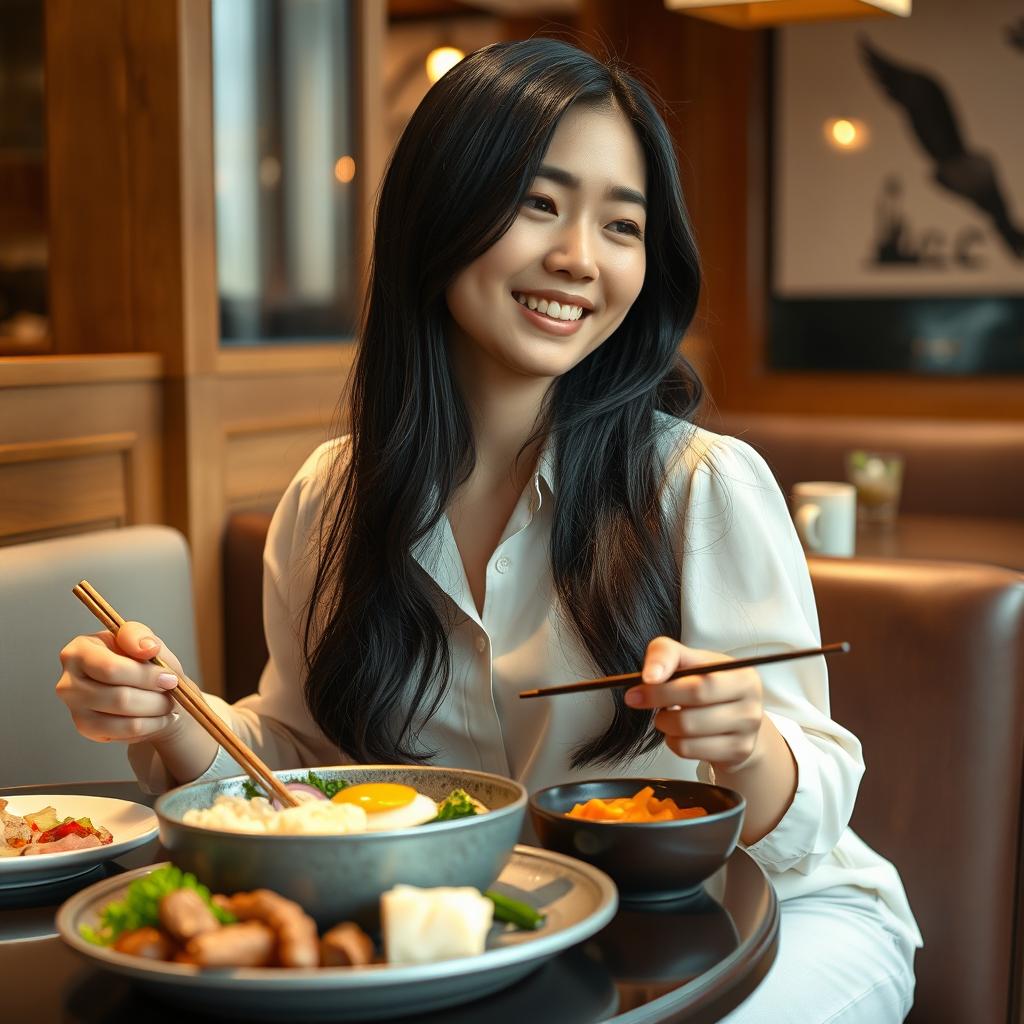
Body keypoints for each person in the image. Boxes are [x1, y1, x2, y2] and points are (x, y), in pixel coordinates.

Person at [56, 39, 920, 1021]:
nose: (578, 258)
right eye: (540, 203)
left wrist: (744, 742)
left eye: (622, 224)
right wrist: (171, 715)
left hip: (762, 928)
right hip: (503, 945)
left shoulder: (699, 485)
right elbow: (301, 760)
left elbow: (813, 815)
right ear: (440, 211)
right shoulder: (330, 498)